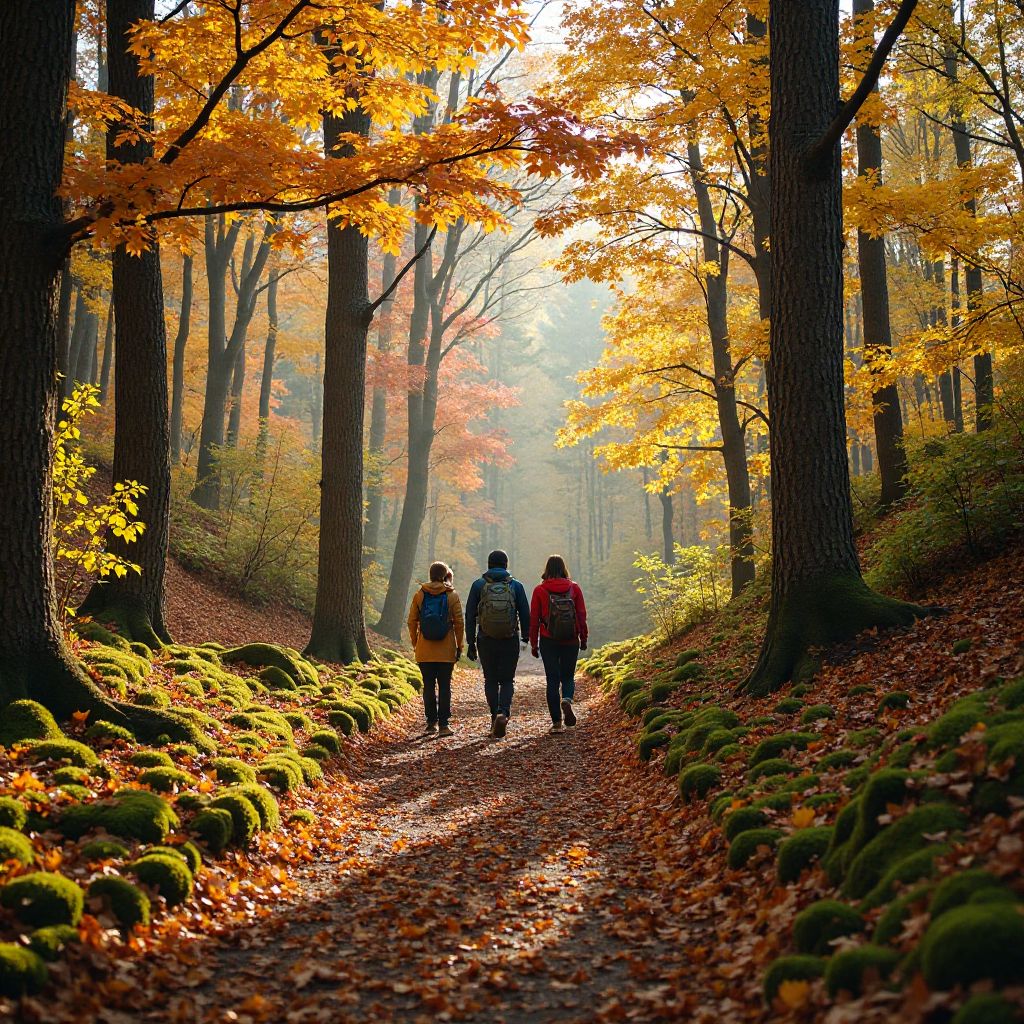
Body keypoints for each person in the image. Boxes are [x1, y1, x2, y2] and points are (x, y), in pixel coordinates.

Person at [464, 549, 530, 739]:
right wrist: (525, 637)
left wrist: (470, 642)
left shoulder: (478, 585)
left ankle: (494, 717)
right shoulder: (516, 586)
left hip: (485, 639)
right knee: (507, 680)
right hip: (509, 639)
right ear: (506, 565)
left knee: (491, 680)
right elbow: (525, 613)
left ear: (489, 564)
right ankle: (504, 713)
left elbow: (470, 615)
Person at [530, 555, 588, 734]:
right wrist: (584, 638)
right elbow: (581, 615)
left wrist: (534, 644)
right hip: (571, 639)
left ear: (547, 569)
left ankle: (556, 723)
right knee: (568, 676)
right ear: (564, 568)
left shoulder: (540, 590)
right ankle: (568, 700)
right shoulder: (574, 588)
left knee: (552, 680)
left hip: (549, 639)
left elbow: (534, 620)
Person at [407, 560, 464, 738]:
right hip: (446, 650)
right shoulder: (451, 595)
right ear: (445, 575)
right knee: (445, 685)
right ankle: (444, 725)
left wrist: (416, 642)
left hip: (425, 649)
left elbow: (411, 621)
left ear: (430, 574)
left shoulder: (420, 594)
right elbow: (459, 623)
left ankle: (431, 723)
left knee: (428, 685)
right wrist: (459, 645)